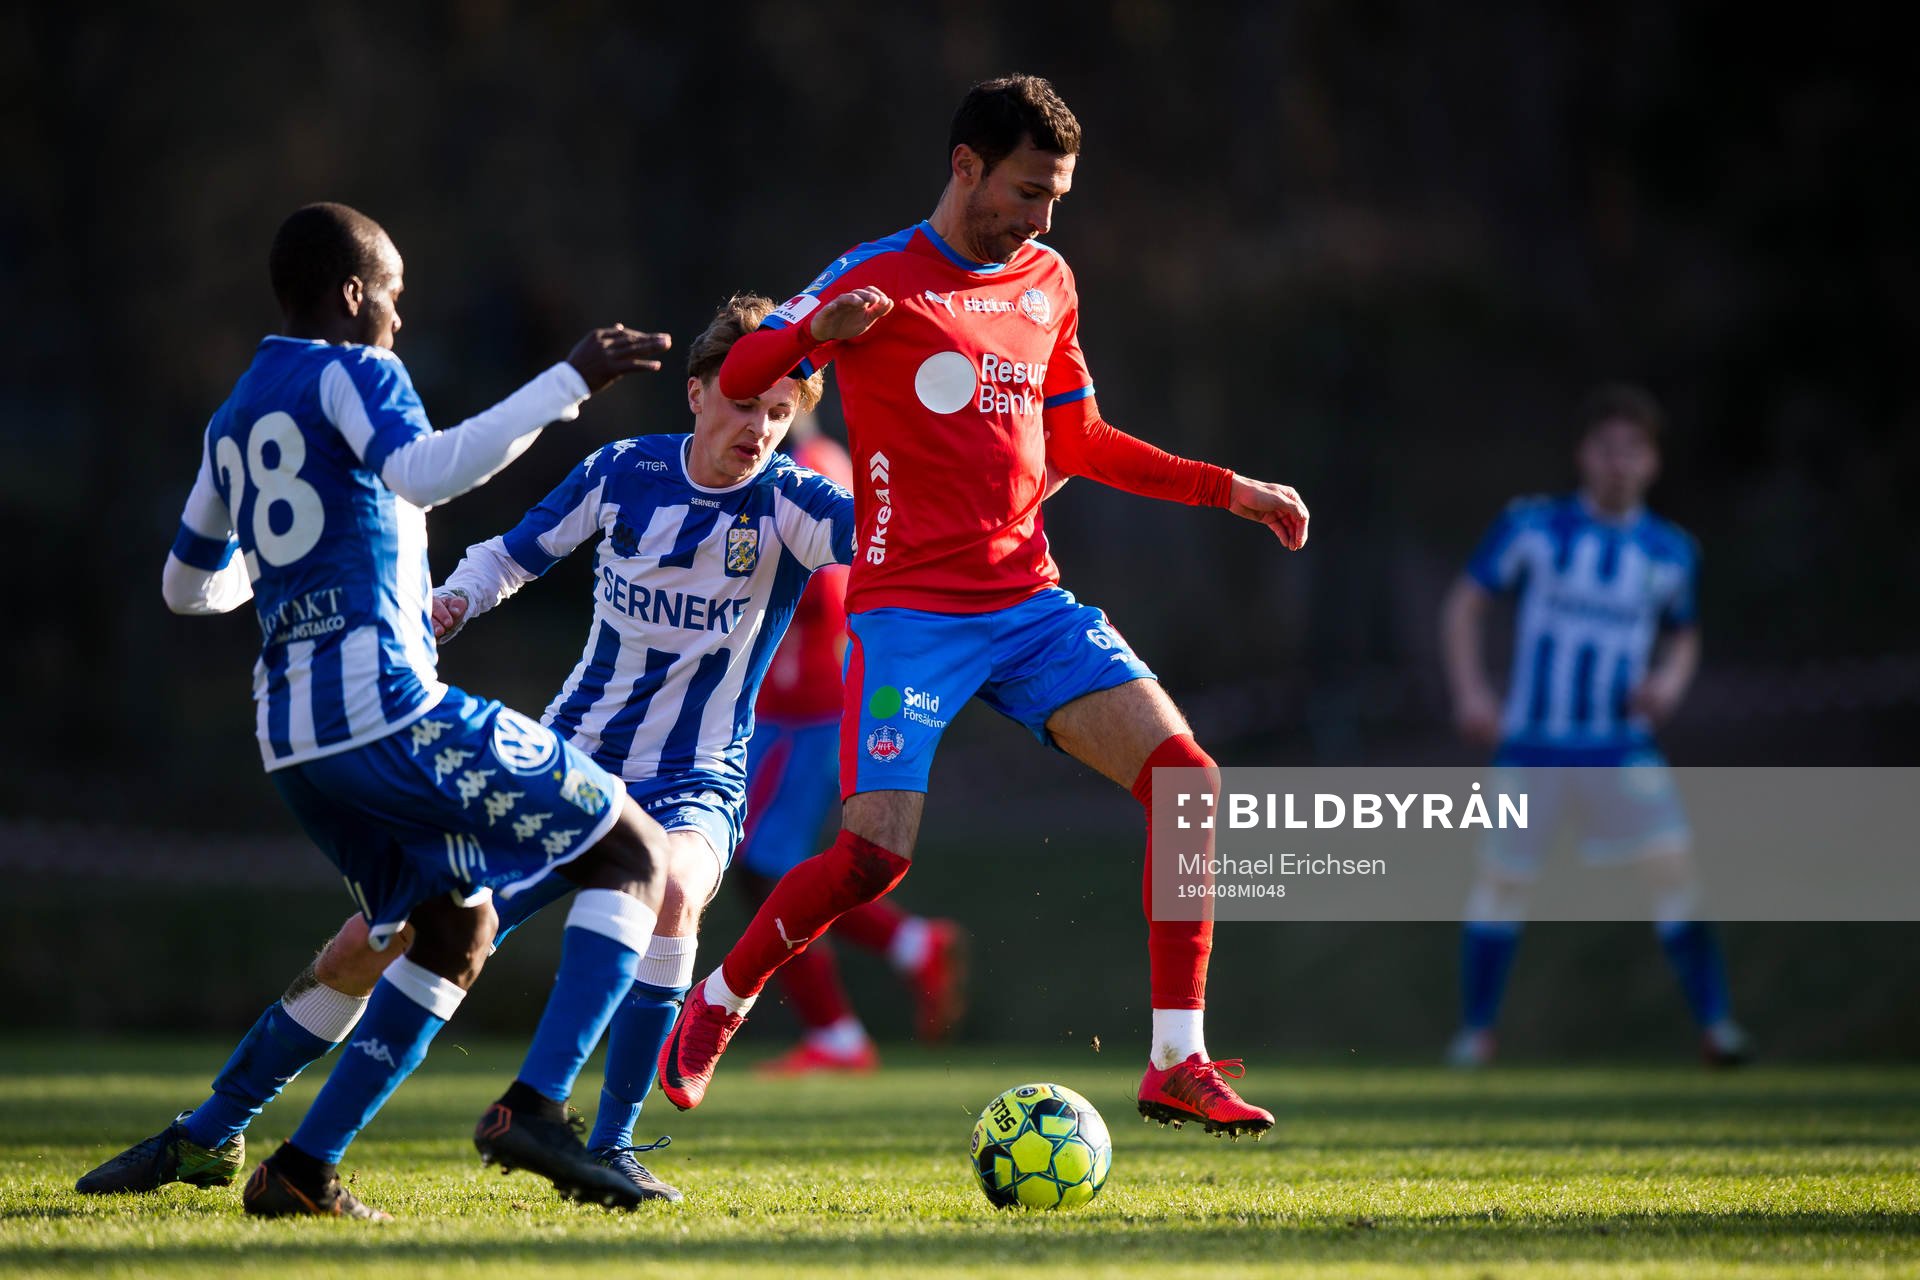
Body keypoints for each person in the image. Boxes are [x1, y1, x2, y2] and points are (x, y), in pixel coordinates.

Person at [80, 291, 853, 1209]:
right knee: (391, 937)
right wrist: (452, 600)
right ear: (695, 393)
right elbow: (511, 555)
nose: (758, 428)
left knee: (674, 885)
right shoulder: (622, 473)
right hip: (576, 753)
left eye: (778, 413)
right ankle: (205, 1133)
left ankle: (608, 1146)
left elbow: (890, 546)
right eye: (743, 402)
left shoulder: (796, 503)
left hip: (696, 778)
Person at [656, 74, 1310, 1138]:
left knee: (1188, 782)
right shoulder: (875, 275)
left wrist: (1226, 487)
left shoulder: (1048, 276)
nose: (1042, 218)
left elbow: (1080, 441)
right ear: (964, 167)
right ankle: (720, 1000)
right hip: (910, 614)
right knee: (875, 856)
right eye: (1026, 191)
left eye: (1055, 196)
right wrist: (825, 322)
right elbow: (751, 364)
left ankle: (1176, 1059)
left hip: (1029, 599)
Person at [125, 201, 679, 1219]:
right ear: (351, 294)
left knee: (455, 928)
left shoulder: (234, 414)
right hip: (388, 711)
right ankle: (539, 1106)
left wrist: (299, 562)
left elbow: (185, 588)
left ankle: (301, 1168)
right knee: (633, 852)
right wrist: (571, 382)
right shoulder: (355, 371)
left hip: (294, 744)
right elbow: (424, 470)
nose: (397, 316)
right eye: (392, 293)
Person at [1440, 384, 1751, 1068]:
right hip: (1533, 743)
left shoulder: (1671, 553)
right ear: (1584, 455)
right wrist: (1471, 692)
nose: (1619, 463)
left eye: (1633, 450)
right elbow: (1466, 604)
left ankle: (1717, 1027)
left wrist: (1669, 683)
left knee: (1673, 868)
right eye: (1607, 448)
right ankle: (1475, 1035)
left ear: (1653, 463)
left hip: (1619, 746)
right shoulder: (1534, 528)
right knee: (1502, 881)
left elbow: (1684, 636)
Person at [734, 421, 966, 1076]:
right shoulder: (817, 459)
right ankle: (907, 946)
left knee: (763, 863)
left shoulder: (807, 468)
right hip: (787, 706)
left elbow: (835, 588)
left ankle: (839, 1031)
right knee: (759, 864)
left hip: (806, 705)